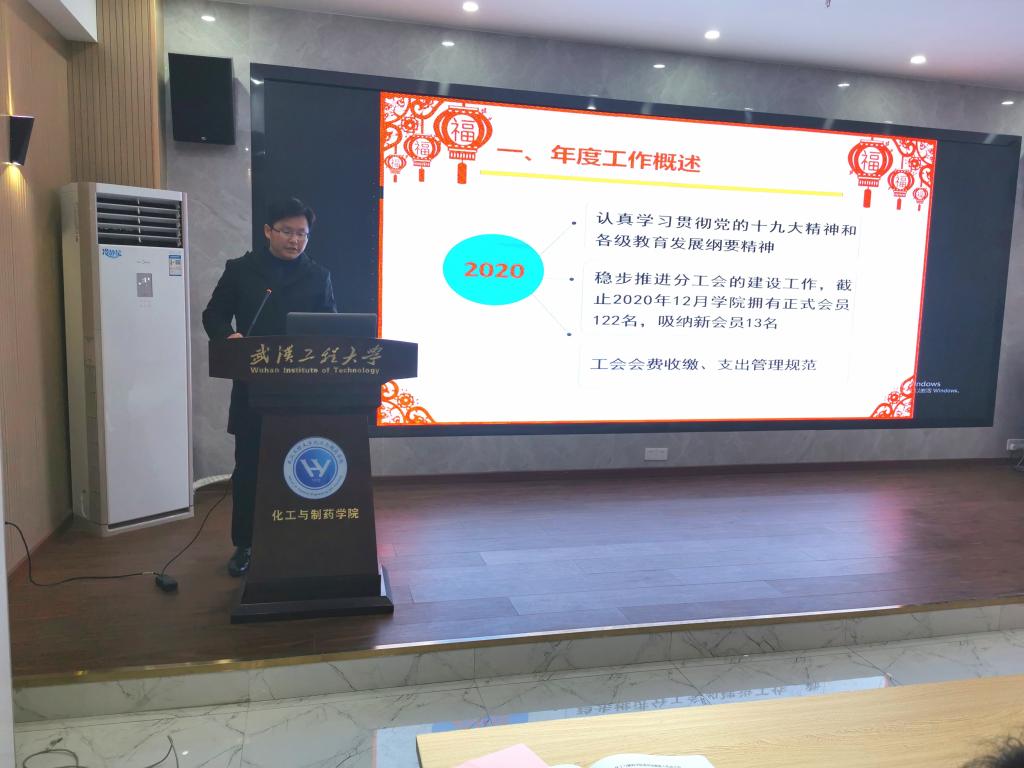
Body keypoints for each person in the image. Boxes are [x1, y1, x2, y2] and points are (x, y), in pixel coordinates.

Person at [202, 197, 337, 576]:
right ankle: (245, 544)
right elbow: (213, 314)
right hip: (254, 385)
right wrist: (228, 337)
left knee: (302, 465)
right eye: (287, 231)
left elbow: (331, 325)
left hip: (303, 391)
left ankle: (301, 539)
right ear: (268, 231)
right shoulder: (241, 270)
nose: (295, 240)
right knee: (249, 468)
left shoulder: (318, 275)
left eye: (302, 234)